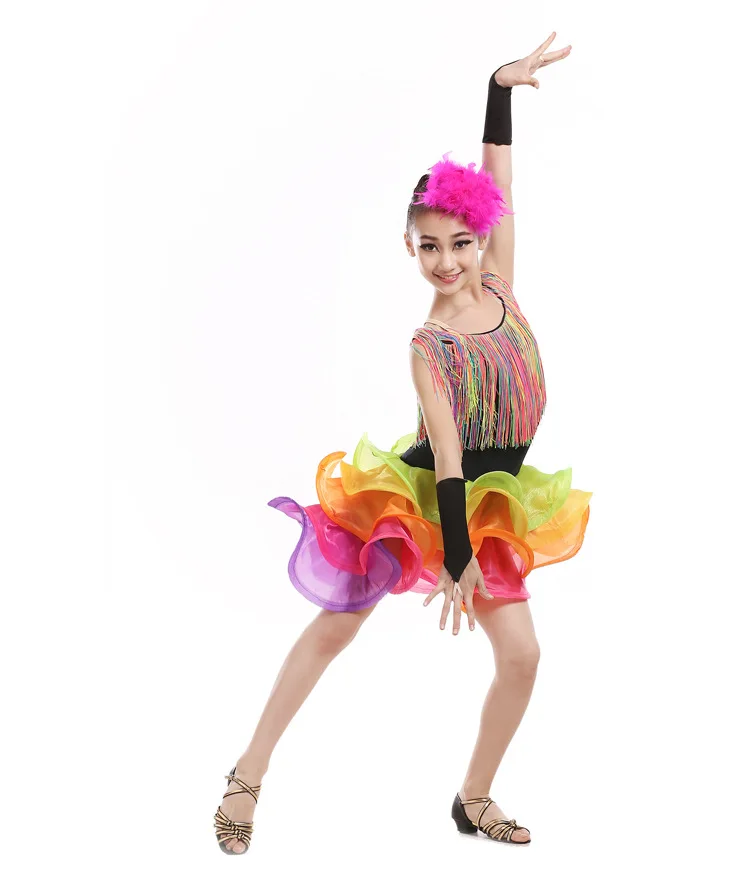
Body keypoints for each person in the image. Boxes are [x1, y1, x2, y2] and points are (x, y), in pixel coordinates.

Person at [214, 31, 588, 853]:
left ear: (482, 239)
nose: (447, 261)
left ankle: (473, 798)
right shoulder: (429, 347)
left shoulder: (502, 283)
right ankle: (247, 773)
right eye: (429, 246)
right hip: (428, 499)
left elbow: (499, 175)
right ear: (409, 248)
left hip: (496, 502)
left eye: (460, 242)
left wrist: (498, 88)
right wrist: (454, 556)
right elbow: (448, 460)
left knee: (522, 657)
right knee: (336, 626)